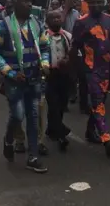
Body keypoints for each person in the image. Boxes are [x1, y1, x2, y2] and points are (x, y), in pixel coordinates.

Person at [0, 0, 50, 173]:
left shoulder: (37, 23)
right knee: (17, 115)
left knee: (33, 117)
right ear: (14, 2)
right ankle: (9, 139)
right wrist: (9, 73)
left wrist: (46, 65)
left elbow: (45, 46)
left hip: (34, 78)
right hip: (14, 80)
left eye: (31, 1)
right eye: (25, 1)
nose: (30, 4)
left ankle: (32, 156)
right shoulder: (3, 25)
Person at [70, 0, 110, 158]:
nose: (97, 5)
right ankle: (106, 139)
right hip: (91, 69)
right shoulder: (81, 22)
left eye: (100, 1)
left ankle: (90, 131)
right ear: (88, 4)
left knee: (100, 102)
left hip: (108, 69)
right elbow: (74, 47)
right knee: (98, 102)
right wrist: (77, 70)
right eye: (93, 3)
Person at [44, 10, 73, 151]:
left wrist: (68, 59)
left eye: (58, 18)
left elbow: (73, 52)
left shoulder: (67, 36)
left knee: (61, 104)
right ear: (47, 21)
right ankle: (61, 134)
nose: (56, 20)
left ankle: (51, 130)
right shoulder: (42, 37)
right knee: (53, 103)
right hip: (49, 75)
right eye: (53, 18)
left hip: (64, 75)